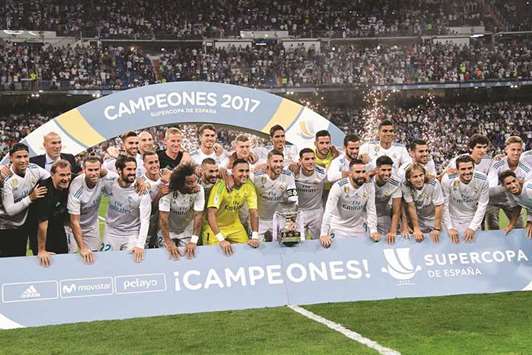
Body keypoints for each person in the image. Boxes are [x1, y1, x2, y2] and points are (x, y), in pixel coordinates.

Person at [0, 143, 48, 257]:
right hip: (3, 227)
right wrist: (31, 197)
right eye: (18, 157)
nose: (23, 160)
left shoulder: (34, 169)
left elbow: (50, 178)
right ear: (11, 158)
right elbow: (10, 211)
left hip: (21, 227)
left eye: (25, 156)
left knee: (19, 259)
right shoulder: (4, 176)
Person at [204, 159, 260, 255]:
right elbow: (211, 213)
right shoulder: (221, 186)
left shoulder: (249, 186)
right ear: (232, 172)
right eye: (241, 171)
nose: (245, 174)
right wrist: (221, 239)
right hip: (215, 227)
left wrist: (255, 236)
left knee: (248, 251)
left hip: (234, 225)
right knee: (212, 255)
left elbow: (254, 212)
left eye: (247, 171)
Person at [68, 155, 117, 263]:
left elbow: (124, 180)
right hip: (73, 227)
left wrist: (139, 182)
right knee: (72, 259)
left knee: (94, 258)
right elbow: (74, 221)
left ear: (101, 169)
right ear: (84, 170)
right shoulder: (77, 187)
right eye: (90, 170)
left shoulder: (105, 178)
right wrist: (82, 247)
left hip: (92, 226)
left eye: (96, 169)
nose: (93, 173)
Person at [101, 156, 151, 263]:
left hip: (131, 234)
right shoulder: (110, 182)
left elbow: (145, 220)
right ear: (119, 170)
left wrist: (140, 245)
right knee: (107, 263)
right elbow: (96, 168)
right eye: (129, 169)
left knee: (131, 264)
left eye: (134, 169)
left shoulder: (142, 191)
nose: (132, 172)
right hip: (111, 232)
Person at [320, 159, 379, 248]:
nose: (361, 175)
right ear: (350, 173)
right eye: (358, 172)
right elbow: (329, 210)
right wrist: (324, 233)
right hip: (339, 227)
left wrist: (373, 230)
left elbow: (371, 209)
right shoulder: (338, 186)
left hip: (358, 228)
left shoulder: (369, 186)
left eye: (363, 172)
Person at [159, 164, 204, 259]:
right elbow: (163, 219)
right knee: (167, 257)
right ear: (180, 184)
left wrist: (194, 240)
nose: (194, 185)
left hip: (186, 231)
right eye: (189, 183)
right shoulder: (167, 191)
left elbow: (198, 216)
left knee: (188, 258)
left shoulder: (199, 190)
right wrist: (168, 241)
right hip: (168, 231)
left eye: (195, 181)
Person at [441, 155, 489, 243]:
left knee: (474, 250)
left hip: (472, 219)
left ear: (474, 167)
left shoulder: (483, 179)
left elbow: (482, 205)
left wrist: (473, 227)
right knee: (452, 250)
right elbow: (444, 205)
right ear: (457, 170)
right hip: (453, 219)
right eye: (463, 169)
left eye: (470, 168)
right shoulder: (447, 180)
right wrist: (449, 227)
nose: (467, 172)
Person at [486, 136, 530, 230]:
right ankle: (496, 244)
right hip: (495, 197)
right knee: (492, 224)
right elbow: (491, 182)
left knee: (518, 227)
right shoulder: (498, 163)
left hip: (513, 200)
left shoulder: (525, 168)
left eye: (519, 150)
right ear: (506, 150)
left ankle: (517, 244)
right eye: (513, 149)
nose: (516, 153)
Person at [254, 150, 298, 241]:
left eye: (281, 161)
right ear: (268, 162)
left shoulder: (288, 176)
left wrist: (291, 222)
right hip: (259, 220)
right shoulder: (256, 176)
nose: (278, 164)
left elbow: (294, 199)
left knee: (290, 241)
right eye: (275, 161)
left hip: (278, 219)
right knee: (256, 247)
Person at [35, 160, 72, 267]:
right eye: (62, 175)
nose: (66, 178)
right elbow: (42, 224)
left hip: (57, 226)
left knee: (63, 259)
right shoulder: (44, 190)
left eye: (68, 174)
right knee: (44, 262)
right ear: (52, 174)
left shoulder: (69, 181)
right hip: (40, 230)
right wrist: (42, 250)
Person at [402, 163, 444, 243]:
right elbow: (411, 206)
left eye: (421, 175)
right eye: (415, 177)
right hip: (419, 219)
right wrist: (416, 228)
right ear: (408, 179)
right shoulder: (405, 185)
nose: (419, 179)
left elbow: (439, 206)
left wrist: (437, 228)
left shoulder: (434, 183)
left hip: (434, 218)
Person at [293, 148, 327, 239]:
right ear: (300, 161)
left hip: (317, 212)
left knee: (319, 240)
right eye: (307, 159)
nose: (311, 162)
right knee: (298, 241)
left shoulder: (322, 172)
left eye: (313, 158)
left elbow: (335, 174)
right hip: (299, 212)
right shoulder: (294, 172)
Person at [373, 155, 402, 243]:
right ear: (377, 169)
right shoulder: (367, 180)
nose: (387, 173)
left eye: (389, 170)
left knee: (386, 241)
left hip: (382, 215)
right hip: (365, 215)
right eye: (383, 170)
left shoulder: (395, 183)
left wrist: (392, 232)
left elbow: (396, 211)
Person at [499, 170, 532, 238]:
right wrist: (511, 225)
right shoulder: (509, 193)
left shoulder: (529, 189)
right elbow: (517, 207)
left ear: (517, 180)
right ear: (503, 186)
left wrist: (530, 221)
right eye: (508, 183)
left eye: (514, 181)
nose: (513, 185)